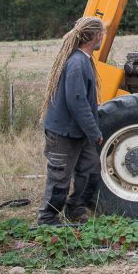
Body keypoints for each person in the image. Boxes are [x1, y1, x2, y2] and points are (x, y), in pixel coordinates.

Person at [38, 16, 105, 225]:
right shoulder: (77, 63)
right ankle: (47, 218)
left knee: (91, 168)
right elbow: (77, 102)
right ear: (95, 36)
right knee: (60, 176)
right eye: (102, 33)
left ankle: (75, 209)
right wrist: (95, 132)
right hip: (63, 132)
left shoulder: (84, 60)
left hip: (78, 131)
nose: (103, 36)